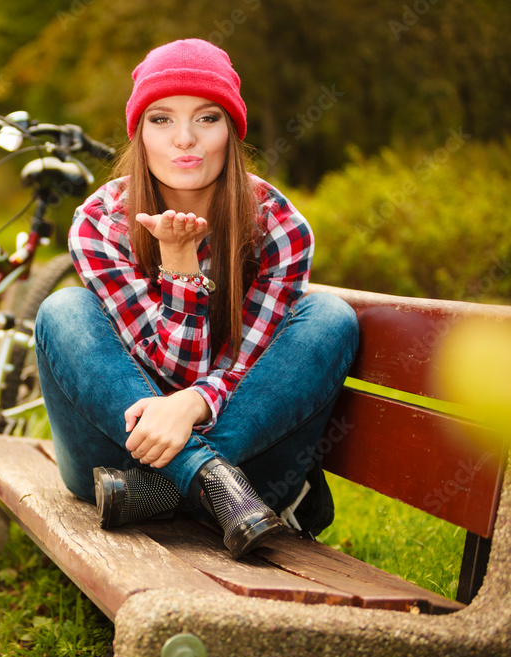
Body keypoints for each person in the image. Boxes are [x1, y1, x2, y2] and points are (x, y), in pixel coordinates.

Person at [34, 38, 359, 559]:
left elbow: (233, 373)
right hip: (112, 458)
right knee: (62, 310)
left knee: (330, 316)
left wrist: (195, 403)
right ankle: (204, 479)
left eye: (207, 118)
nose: (185, 140)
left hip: (248, 462)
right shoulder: (101, 221)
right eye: (161, 119)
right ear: (138, 133)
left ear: (231, 131)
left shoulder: (278, 225)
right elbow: (172, 368)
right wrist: (179, 262)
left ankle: (165, 492)